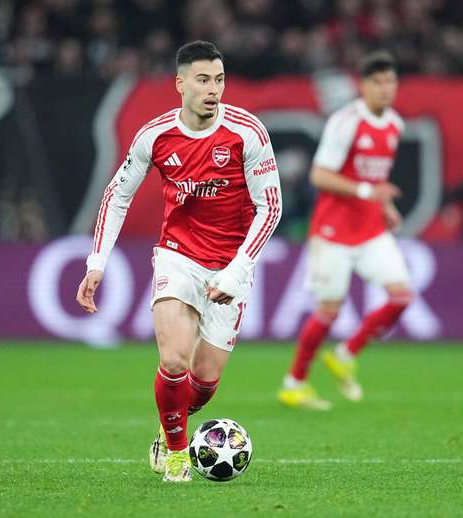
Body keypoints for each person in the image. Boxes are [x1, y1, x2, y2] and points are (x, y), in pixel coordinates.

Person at [76, 40, 282, 482]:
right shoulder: (154, 136)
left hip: (231, 265)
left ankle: (168, 426)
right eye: (203, 80)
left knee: (203, 384)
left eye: (219, 80)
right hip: (178, 256)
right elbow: (116, 196)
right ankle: (175, 457)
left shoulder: (247, 132)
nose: (213, 89)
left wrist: (238, 270)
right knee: (174, 361)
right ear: (180, 84)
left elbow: (271, 207)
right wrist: (97, 262)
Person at [278, 50, 411, 410]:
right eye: (377, 82)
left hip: (371, 230)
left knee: (401, 296)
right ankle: (294, 383)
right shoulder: (345, 122)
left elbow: (375, 178)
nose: (385, 89)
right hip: (333, 231)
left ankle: (347, 353)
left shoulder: (395, 125)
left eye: (390, 81)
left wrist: (386, 206)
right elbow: (320, 175)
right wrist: (368, 192)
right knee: (329, 309)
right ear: (363, 86)